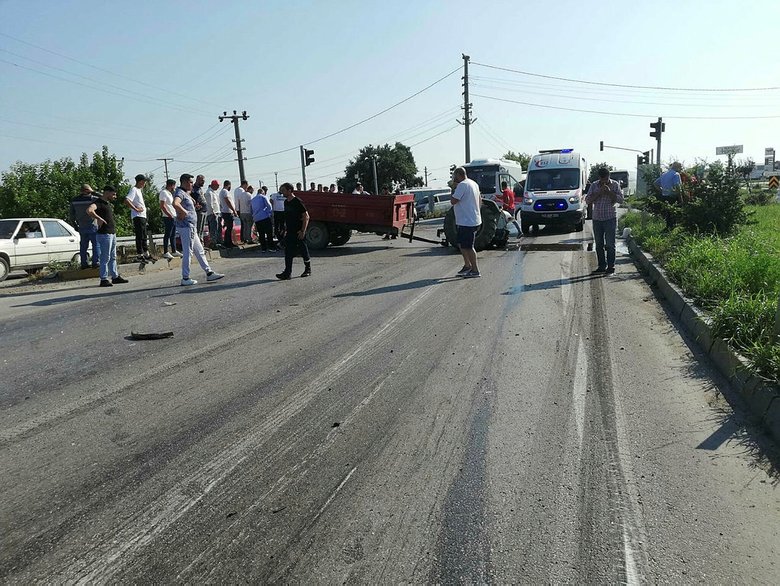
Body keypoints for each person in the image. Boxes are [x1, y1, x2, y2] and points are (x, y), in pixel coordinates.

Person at [173, 173, 225, 286]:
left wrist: (193, 207)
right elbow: (175, 203)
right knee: (188, 251)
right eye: (191, 182)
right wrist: (184, 212)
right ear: (185, 182)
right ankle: (185, 277)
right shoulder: (180, 193)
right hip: (186, 227)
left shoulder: (185, 193)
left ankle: (209, 272)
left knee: (200, 250)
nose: (192, 184)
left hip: (191, 226)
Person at [87, 186, 129, 287]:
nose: (115, 196)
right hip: (104, 234)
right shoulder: (98, 203)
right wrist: (98, 218)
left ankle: (115, 276)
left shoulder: (106, 203)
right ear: (107, 192)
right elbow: (89, 210)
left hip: (111, 233)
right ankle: (104, 279)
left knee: (113, 257)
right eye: (113, 194)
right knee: (105, 257)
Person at [585, 167, 624, 274]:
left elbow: (621, 200)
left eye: (606, 180)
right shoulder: (594, 185)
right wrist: (598, 193)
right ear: (599, 178)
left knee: (610, 244)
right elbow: (587, 200)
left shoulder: (615, 184)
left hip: (610, 218)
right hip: (597, 218)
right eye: (602, 180)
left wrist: (609, 192)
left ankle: (611, 266)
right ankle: (602, 265)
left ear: (608, 177)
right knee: (599, 244)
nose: (604, 182)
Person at [451, 166, 482, 278]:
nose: (454, 179)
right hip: (469, 219)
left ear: (459, 175)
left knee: (468, 246)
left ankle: (475, 270)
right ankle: (467, 265)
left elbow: (453, 201)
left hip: (467, 221)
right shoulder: (473, 184)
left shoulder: (462, 185)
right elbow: (480, 200)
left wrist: (454, 188)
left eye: (455, 176)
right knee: (462, 244)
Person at [276, 182, 311, 280]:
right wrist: (285, 229)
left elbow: (306, 216)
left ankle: (308, 269)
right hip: (290, 232)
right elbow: (288, 217)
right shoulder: (286, 202)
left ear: (289, 190)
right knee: (288, 252)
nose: (281, 192)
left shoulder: (297, 201)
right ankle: (287, 273)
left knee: (303, 250)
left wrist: (303, 231)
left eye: (283, 190)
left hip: (298, 231)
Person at [69, 183, 100, 269]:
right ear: (88, 190)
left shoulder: (74, 200)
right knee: (96, 245)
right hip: (93, 225)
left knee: (83, 246)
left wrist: (75, 225)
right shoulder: (93, 199)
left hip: (81, 226)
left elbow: (71, 215)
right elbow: (103, 198)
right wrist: (93, 192)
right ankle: (95, 262)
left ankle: (84, 264)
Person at [124, 173, 152, 259]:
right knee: (140, 235)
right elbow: (127, 200)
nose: (145, 184)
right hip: (138, 216)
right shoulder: (134, 189)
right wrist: (135, 209)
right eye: (144, 182)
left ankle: (145, 252)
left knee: (144, 235)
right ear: (141, 181)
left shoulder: (139, 190)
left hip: (142, 216)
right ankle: (140, 254)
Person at [158, 178, 182, 260]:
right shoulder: (163, 192)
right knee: (167, 234)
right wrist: (169, 214)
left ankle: (174, 250)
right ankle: (165, 251)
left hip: (173, 216)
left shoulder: (170, 194)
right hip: (168, 216)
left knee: (173, 235)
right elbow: (162, 205)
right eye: (174, 186)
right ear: (171, 185)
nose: (174, 188)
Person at [251, 185, 275, 252]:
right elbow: (269, 206)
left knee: (261, 234)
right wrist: (269, 213)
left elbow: (251, 210)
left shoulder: (252, 200)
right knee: (269, 233)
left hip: (257, 219)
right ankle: (271, 247)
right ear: (263, 192)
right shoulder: (263, 197)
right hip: (264, 217)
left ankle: (263, 248)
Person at [205, 179, 223, 248]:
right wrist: (213, 212)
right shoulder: (209, 192)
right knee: (213, 229)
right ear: (213, 185)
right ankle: (214, 243)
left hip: (217, 212)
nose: (218, 187)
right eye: (217, 186)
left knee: (218, 228)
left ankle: (218, 242)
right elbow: (210, 203)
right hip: (213, 213)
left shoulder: (214, 192)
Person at [219, 180, 237, 247]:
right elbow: (227, 201)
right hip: (227, 212)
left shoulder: (222, 192)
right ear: (228, 185)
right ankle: (228, 242)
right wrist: (234, 210)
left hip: (226, 211)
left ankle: (229, 241)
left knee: (229, 227)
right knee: (229, 227)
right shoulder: (225, 191)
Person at [192, 174, 208, 239]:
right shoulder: (193, 189)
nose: (203, 182)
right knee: (198, 229)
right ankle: (198, 245)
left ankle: (202, 244)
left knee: (202, 230)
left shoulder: (200, 189)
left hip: (204, 210)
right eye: (202, 181)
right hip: (199, 211)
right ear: (197, 180)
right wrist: (195, 205)